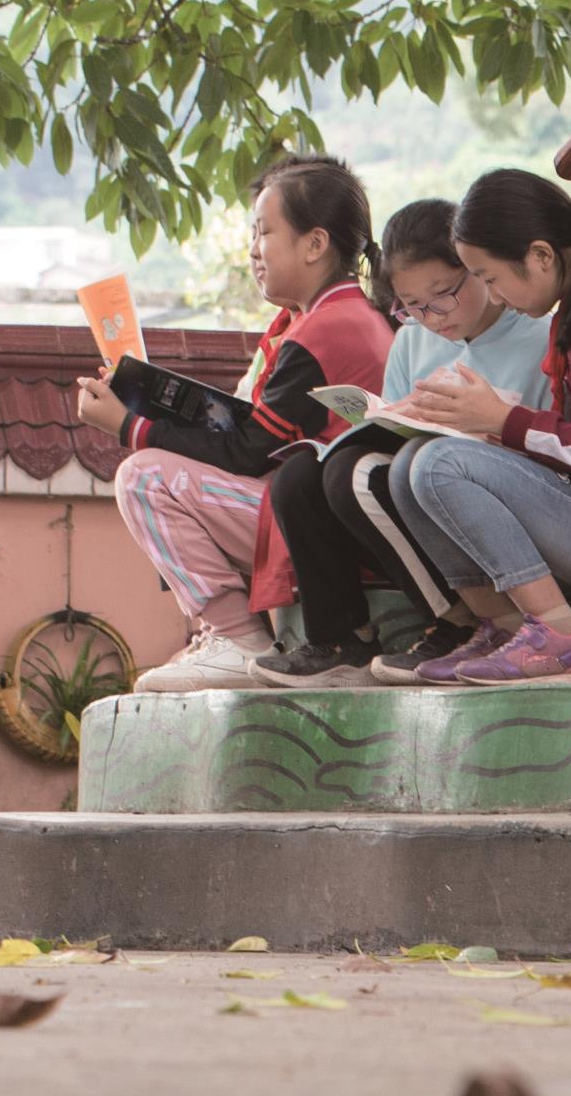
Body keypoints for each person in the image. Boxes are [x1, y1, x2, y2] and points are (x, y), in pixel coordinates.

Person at [77, 153, 394, 693]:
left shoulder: (326, 329)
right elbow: (253, 436)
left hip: (331, 531)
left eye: (263, 232)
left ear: (315, 244)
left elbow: (247, 452)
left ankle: (236, 641)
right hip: (334, 516)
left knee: (144, 477)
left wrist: (130, 427)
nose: (253, 251)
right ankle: (232, 637)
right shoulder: (324, 319)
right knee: (158, 465)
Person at [376, 169, 571, 686]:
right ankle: (504, 627)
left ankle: (561, 639)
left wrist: (501, 419)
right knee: (407, 467)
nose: (494, 297)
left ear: (540, 256)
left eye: (491, 278)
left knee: (437, 464)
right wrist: (484, 430)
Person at [249, 197, 558, 687]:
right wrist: (400, 415)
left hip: (502, 502)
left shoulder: (540, 336)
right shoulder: (411, 340)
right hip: (420, 491)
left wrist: (487, 425)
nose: (431, 317)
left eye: (442, 295)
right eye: (411, 305)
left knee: (360, 473)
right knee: (300, 477)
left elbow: (552, 448)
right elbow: (387, 429)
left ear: (477, 269)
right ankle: (339, 638)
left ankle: (462, 619)